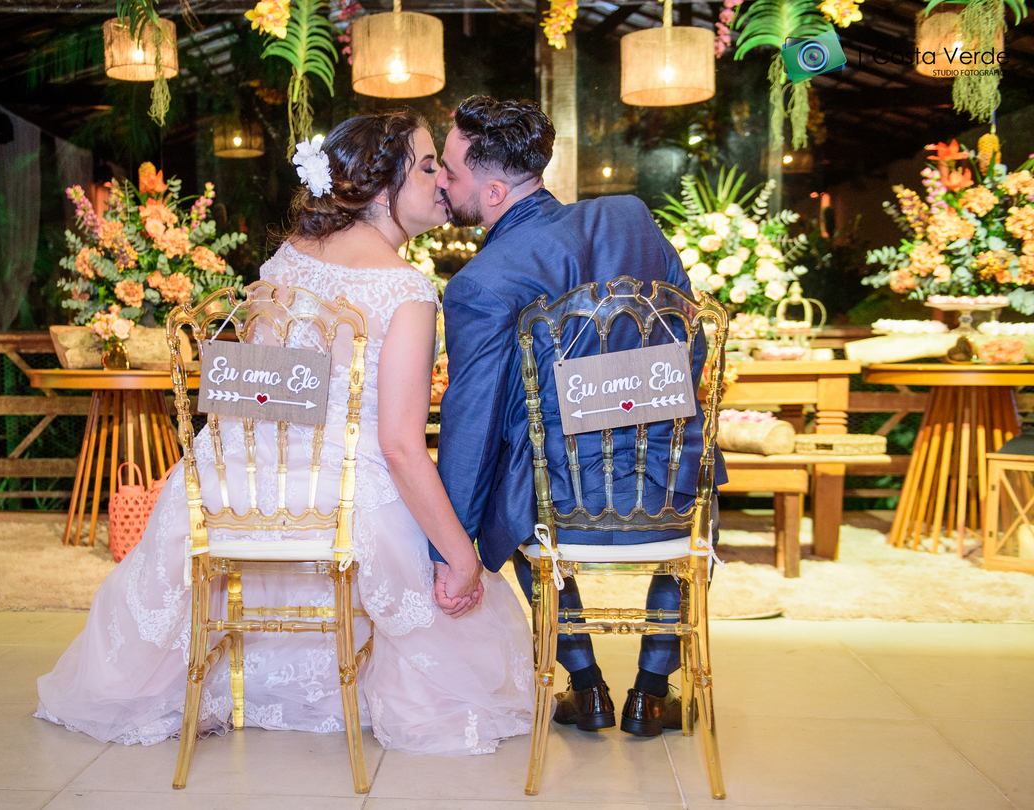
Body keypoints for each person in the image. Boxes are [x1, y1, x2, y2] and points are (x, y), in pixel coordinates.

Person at [36, 112, 533, 755]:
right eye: (428, 165)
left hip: (233, 485)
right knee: (447, 559)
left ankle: (244, 678)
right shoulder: (406, 290)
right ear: (381, 187)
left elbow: (256, 397)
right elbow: (400, 447)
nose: (442, 180)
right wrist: (460, 557)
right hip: (345, 496)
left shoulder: (285, 260)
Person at [433, 96, 725, 739]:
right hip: (664, 484)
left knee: (518, 477)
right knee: (692, 468)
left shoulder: (480, 281)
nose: (440, 184)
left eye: (448, 173)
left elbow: (472, 419)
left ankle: (586, 686)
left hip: (558, 500)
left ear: (493, 191)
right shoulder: (630, 217)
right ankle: (653, 693)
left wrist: (449, 546)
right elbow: (692, 342)